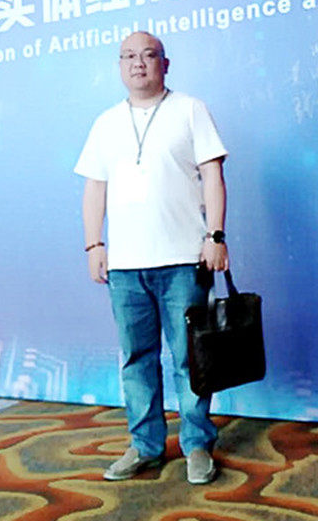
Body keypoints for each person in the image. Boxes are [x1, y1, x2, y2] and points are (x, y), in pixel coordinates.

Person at [74, 31, 229, 485]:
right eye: (128, 56)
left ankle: (196, 445)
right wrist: (93, 244)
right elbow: (94, 188)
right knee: (136, 359)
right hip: (125, 266)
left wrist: (216, 235)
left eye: (147, 55)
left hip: (184, 259)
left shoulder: (190, 109)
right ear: (119, 65)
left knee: (190, 359)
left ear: (165, 63)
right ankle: (145, 445)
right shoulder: (105, 122)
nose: (137, 63)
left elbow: (213, 176)